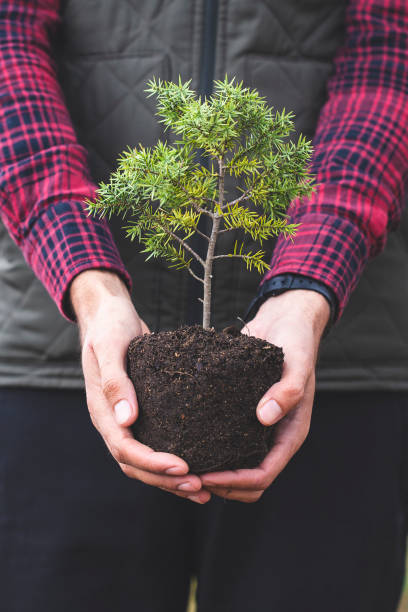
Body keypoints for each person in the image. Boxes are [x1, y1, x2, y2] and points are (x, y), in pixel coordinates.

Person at [0, 0, 407, 610]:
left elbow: (392, 50)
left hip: (343, 354)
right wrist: (86, 275)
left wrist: (310, 284)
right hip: (54, 359)